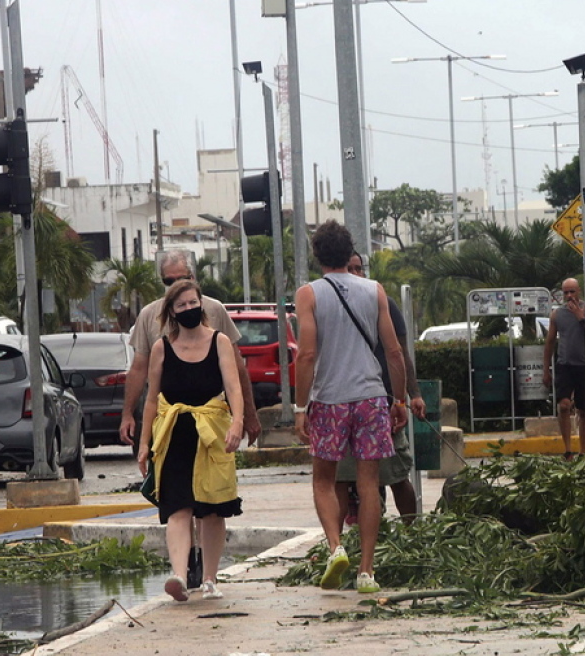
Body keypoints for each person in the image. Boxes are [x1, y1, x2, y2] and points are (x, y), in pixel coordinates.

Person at [293, 222, 408, 595]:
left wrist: (299, 406)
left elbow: (307, 353)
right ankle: (367, 571)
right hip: (372, 397)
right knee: (369, 482)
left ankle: (335, 547)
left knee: (324, 480)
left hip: (329, 400)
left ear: (317, 255)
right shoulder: (374, 290)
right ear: (350, 252)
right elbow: (394, 351)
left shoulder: (308, 295)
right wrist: (400, 399)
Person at [138, 280, 245, 602]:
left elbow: (234, 387)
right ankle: (180, 576)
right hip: (173, 434)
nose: (188, 309)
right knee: (177, 508)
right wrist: (145, 443)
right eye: (181, 305)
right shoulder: (162, 347)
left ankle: (211, 578)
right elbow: (151, 400)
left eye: (192, 303)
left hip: (212, 433)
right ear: (171, 311)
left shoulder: (220, 342)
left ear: (201, 304)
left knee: (212, 510)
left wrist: (237, 423)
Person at [120, 249, 260, 450]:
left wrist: (248, 415)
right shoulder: (149, 315)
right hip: (167, 420)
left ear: (192, 277)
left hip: (211, 420)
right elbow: (139, 370)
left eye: (181, 278)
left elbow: (236, 372)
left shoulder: (214, 310)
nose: (176, 285)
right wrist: (128, 414)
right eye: (169, 281)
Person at [335, 252, 425, 525]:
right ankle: (337, 546)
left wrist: (412, 395)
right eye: (349, 268)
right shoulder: (329, 304)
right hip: (341, 403)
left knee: (396, 476)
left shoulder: (383, 302)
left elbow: (399, 353)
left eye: (359, 268)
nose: (355, 273)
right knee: (342, 478)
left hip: (382, 403)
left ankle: (414, 534)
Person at [543, 277, 585, 457]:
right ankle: (568, 449)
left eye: (572, 291)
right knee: (564, 406)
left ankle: (583, 451)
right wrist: (546, 370)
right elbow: (550, 343)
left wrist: (581, 317)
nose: (569, 296)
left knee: (583, 410)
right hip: (564, 365)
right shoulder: (557, 314)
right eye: (566, 292)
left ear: (579, 291)